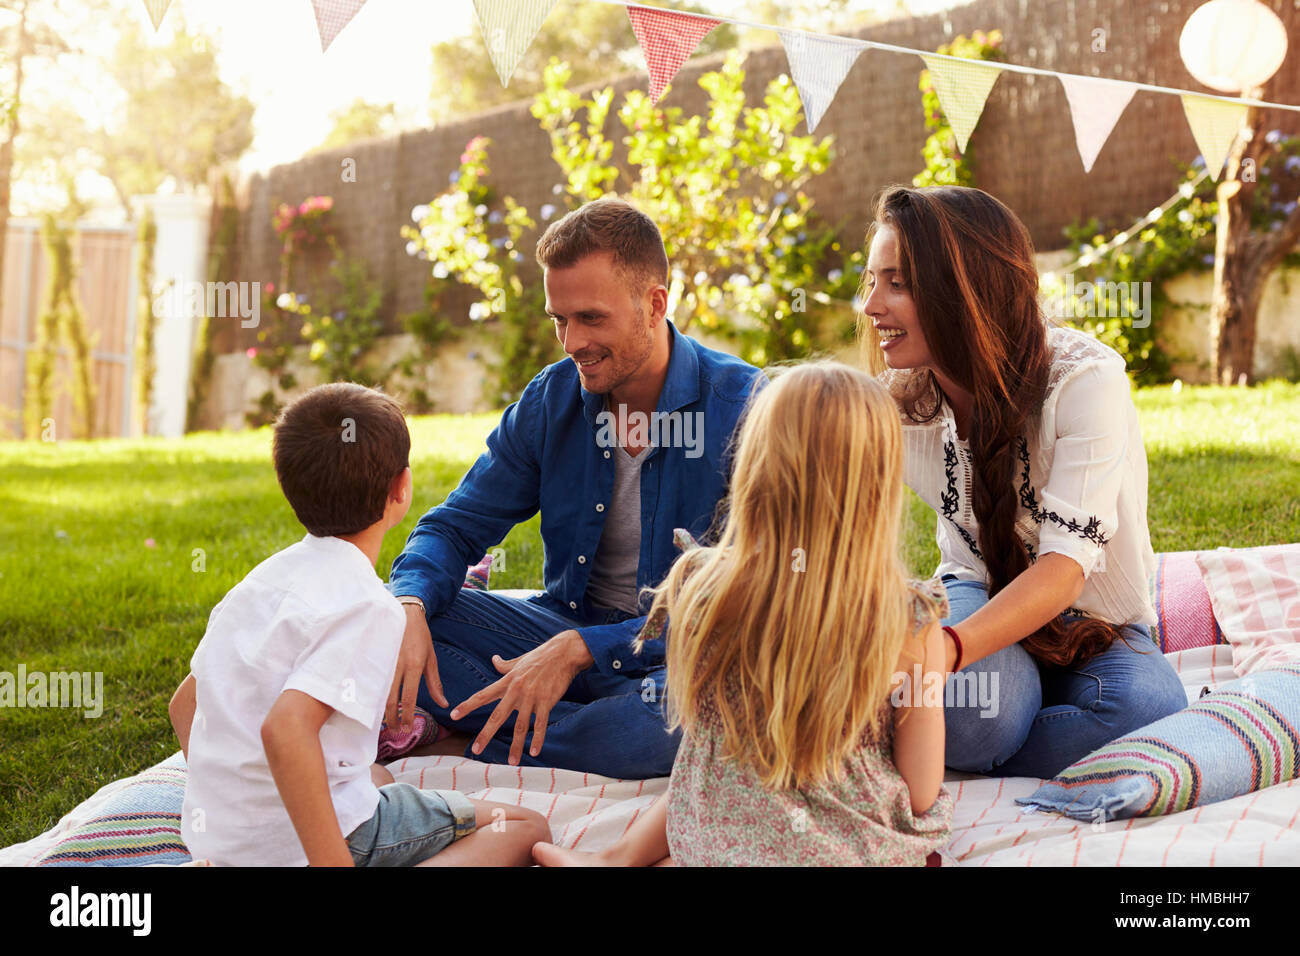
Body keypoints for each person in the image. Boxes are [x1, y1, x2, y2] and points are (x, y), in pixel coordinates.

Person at [385, 196, 763, 779]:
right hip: (564, 622)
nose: (570, 342)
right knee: (388, 628)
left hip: (689, 649)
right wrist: (407, 605)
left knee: (670, 728)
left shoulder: (746, 408)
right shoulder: (551, 399)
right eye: (559, 319)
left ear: (655, 303)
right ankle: (555, 718)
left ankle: (486, 728)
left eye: (590, 318)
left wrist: (584, 650)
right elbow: (453, 527)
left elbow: (749, 594)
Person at [533, 363, 953, 866]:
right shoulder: (912, 618)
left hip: (723, 835)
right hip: (850, 850)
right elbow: (923, 789)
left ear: (755, 465)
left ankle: (615, 858)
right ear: (879, 484)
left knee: (722, 762)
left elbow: (699, 736)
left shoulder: (704, 587)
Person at [860, 184, 1187, 779]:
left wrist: (947, 653)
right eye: (872, 280)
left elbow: (1064, 571)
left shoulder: (1084, 382)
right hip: (975, 587)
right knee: (979, 715)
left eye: (897, 283)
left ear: (966, 290)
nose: (871, 305)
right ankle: (995, 717)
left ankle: (948, 733)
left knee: (1150, 708)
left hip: (1093, 617)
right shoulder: (898, 407)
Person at [169, 384, 550, 866]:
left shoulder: (259, 582)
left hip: (222, 844)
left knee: (378, 777)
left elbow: (183, 706)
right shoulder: (370, 607)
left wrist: (240, 816)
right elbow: (287, 730)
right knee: (523, 827)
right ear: (401, 488)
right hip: (318, 845)